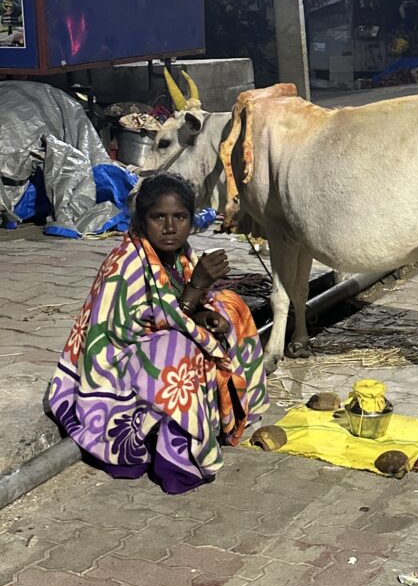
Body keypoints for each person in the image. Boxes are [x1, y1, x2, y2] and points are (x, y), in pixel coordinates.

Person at [48, 172, 269, 493]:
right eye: (158, 217)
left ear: (191, 221)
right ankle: (175, 456)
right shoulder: (125, 263)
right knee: (178, 350)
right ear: (141, 221)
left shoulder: (180, 256)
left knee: (231, 306)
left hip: (152, 349)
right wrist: (197, 287)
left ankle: (226, 416)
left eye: (179, 217)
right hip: (117, 369)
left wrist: (206, 314)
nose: (169, 227)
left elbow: (175, 310)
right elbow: (135, 329)